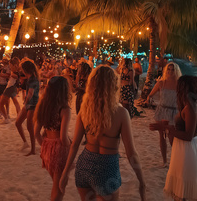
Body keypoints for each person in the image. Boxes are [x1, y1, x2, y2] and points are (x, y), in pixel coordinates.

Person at [59, 65, 146, 201]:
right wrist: (142, 181)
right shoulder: (121, 113)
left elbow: (75, 144)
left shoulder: (85, 110)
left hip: (84, 166)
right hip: (106, 168)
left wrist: (65, 174)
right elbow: (131, 153)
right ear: (113, 86)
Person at [150, 75, 197, 200]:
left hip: (187, 149)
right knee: (193, 188)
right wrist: (169, 127)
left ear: (184, 88)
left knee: (182, 189)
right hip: (189, 147)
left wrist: (166, 128)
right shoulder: (196, 105)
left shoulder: (190, 108)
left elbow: (188, 135)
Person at [34, 76, 72, 201]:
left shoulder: (43, 105)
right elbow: (63, 137)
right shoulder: (64, 109)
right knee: (59, 189)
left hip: (47, 148)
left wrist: (45, 146)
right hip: (59, 149)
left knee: (56, 185)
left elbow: (36, 132)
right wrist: (72, 147)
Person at [146, 62, 182, 166]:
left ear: (176, 71)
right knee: (162, 136)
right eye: (169, 69)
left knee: (172, 137)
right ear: (166, 70)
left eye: (172, 70)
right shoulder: (161, 83)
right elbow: (151, 94)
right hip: (162, 110)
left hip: (174, 112)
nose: (170, 71)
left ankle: (175, 160)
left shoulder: (179, 84)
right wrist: (149, 99)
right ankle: (164, 161)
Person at [15, 60, 40, 155]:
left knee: (30, 127)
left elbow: (30, 93)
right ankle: (26, 143)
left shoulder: (33, 79)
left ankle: (33, 150)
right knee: (18, 123)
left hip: (32, 104)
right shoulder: (30, 78)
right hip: (29, 104)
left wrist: (25, 102)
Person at [0, 57, 21, 123]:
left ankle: (6, 118)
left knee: (1, 103)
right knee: (15, 101)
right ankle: (18, 115)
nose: (10, 67)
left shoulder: (15, 73)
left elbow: (14, 76)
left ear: (15, 65)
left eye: (11, 66)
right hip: (12, 87)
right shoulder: (16, 72)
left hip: (10, 87)